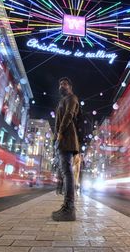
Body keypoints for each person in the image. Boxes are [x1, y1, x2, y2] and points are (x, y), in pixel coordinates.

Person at [52, 77, 80, 221]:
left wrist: (61, 132)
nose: (61, 86)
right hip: (62, 139)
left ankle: (69, 209)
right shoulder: (63, 100)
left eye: (64, 84)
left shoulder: (72, 98)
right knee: (65, 171)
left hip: (67, 138)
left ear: (70, 86)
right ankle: (67, 206)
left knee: (67, 172)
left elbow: (69, 115)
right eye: (60, 84)